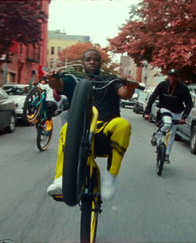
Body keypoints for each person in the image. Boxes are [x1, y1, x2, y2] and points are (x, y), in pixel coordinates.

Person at [46, 49, 139, 201]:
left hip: (105, 130)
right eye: (88, 59)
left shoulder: (110, 79)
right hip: (80, 130)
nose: (92, 62)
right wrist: (52, 78)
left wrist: (129, 87)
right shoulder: (74, 79)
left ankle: (110, 178)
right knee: (66, 129)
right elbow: (57, 85)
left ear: (100, 63)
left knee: (123, 125)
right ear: (83, 62)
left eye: (95, 59)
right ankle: (62, 179)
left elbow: (124, 93)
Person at [143, 69, 192, 164]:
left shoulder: (183, 88)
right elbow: (153, 97)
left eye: (174, 76)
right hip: (164, 109)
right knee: (167, 123)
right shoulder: (162, 85)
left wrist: (184, 117)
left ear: (177, 77)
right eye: (171, 76)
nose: (172, 78)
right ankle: (155, 136)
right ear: (168, 76)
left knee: (172, 134)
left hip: (177, 112)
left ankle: (166, 155)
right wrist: (147, 112)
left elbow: (189, 104)